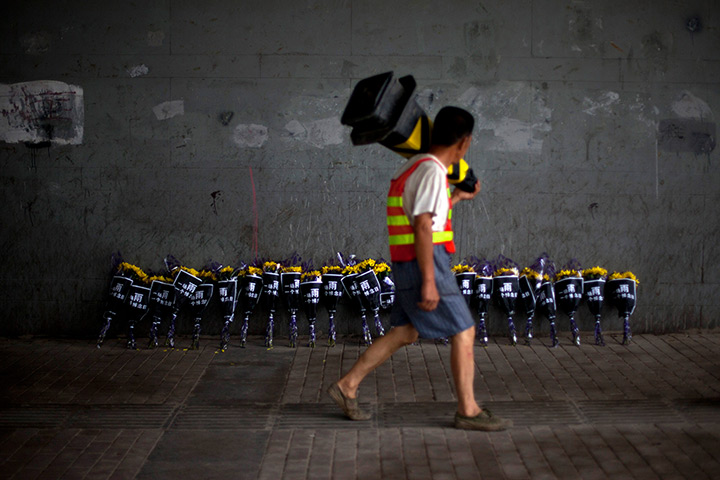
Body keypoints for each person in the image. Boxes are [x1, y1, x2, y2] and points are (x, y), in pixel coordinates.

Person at [328, 106, 512, 431]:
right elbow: (424, 227)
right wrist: (429, 281)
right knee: (465, 331)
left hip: (408, 262)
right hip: (425, 262)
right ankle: (467, 410)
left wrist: (455, 198)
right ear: (465, 143)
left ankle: (347, 386)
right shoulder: (431, 171)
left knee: (405, 332)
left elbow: (425, 214)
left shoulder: (414, 165)